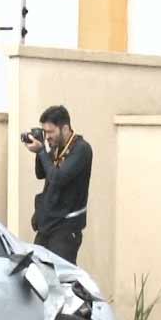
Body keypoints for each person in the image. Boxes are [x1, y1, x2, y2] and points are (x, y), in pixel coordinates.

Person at [22, 105, 93, 263]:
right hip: (48, 223)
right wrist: (39, 151)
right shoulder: (55, 147)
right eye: (45, 132)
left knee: (59, 278)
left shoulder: (81, 149)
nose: (47, 136)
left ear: (65, 128)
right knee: (36, 272)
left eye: (50, 132)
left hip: (66, 227)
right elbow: (41, 174)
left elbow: (57, 177)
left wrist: (42, 152)